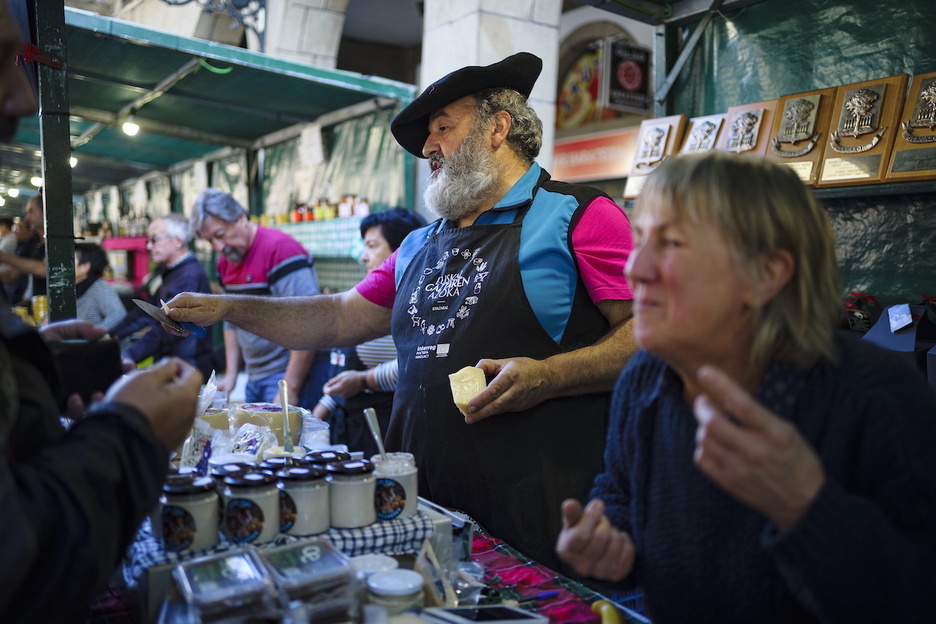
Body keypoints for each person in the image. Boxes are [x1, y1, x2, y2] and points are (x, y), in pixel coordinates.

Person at [168, 52, 637, 569]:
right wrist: (229, 307)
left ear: (498, 128)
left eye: (443, 128)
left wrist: (549, 376)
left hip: (541, 500)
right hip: (421, 500)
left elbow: (647, 333)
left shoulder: (579, 215)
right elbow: (339, 316)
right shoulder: (418, 244)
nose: (428, 147)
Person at [555, 152, 936, 623]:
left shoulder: (876, 395)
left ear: (765, 274)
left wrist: (804, 506)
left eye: (671, 243)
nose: (635, 269)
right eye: (639, 241)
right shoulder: (647, 377)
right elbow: (619, 493)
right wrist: (609, 541)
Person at [0, 1, 204, 621]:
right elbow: (18, 559)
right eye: (0, 61)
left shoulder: (185, 276)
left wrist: (25, 358)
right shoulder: (160, 277)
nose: (23, 97)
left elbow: (166, 326)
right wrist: (127, 431)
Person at [190, 189, 326, 407]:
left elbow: (309, 320)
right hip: (254, 375)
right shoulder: (225, 262)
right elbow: (230, 319)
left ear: (241, 218)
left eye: (220, 235)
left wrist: (290, 387)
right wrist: (231, 374)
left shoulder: (281, 251)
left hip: (287, 374)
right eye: (209, 241)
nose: (218, 247)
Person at [312, 207, 425, 456]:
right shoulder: (369, 300)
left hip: (386, 430)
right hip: (349, 427)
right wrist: (318, 414)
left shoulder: (415, 303)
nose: (364, 257)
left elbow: (416, 364)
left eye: (372, 246)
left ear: (401, 251)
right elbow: (343, 376)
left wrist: (364, 380)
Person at [112, 214, 215, 379]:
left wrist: (129, 355)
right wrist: (110, 336)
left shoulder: (187, 276)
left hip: (187, 370)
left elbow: (167, 329)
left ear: (178, 241)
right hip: (176, 366)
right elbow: (147, 312)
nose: (149, 246)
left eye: (154, 239)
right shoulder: (174, 272)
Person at [0, 191, 45, 306]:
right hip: (38, 306)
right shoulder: (31, 243)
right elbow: (12, 274)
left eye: (31, 211)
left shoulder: (58, 242)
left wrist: (2, 256)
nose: (27, 217)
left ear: (45, 212)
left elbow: (44, 270)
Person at [74, 242, 127, 331]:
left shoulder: (99, 287)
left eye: (71, 260)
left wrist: (95, 334)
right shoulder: (74, 287)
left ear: (85, 266)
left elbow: (119, 314)